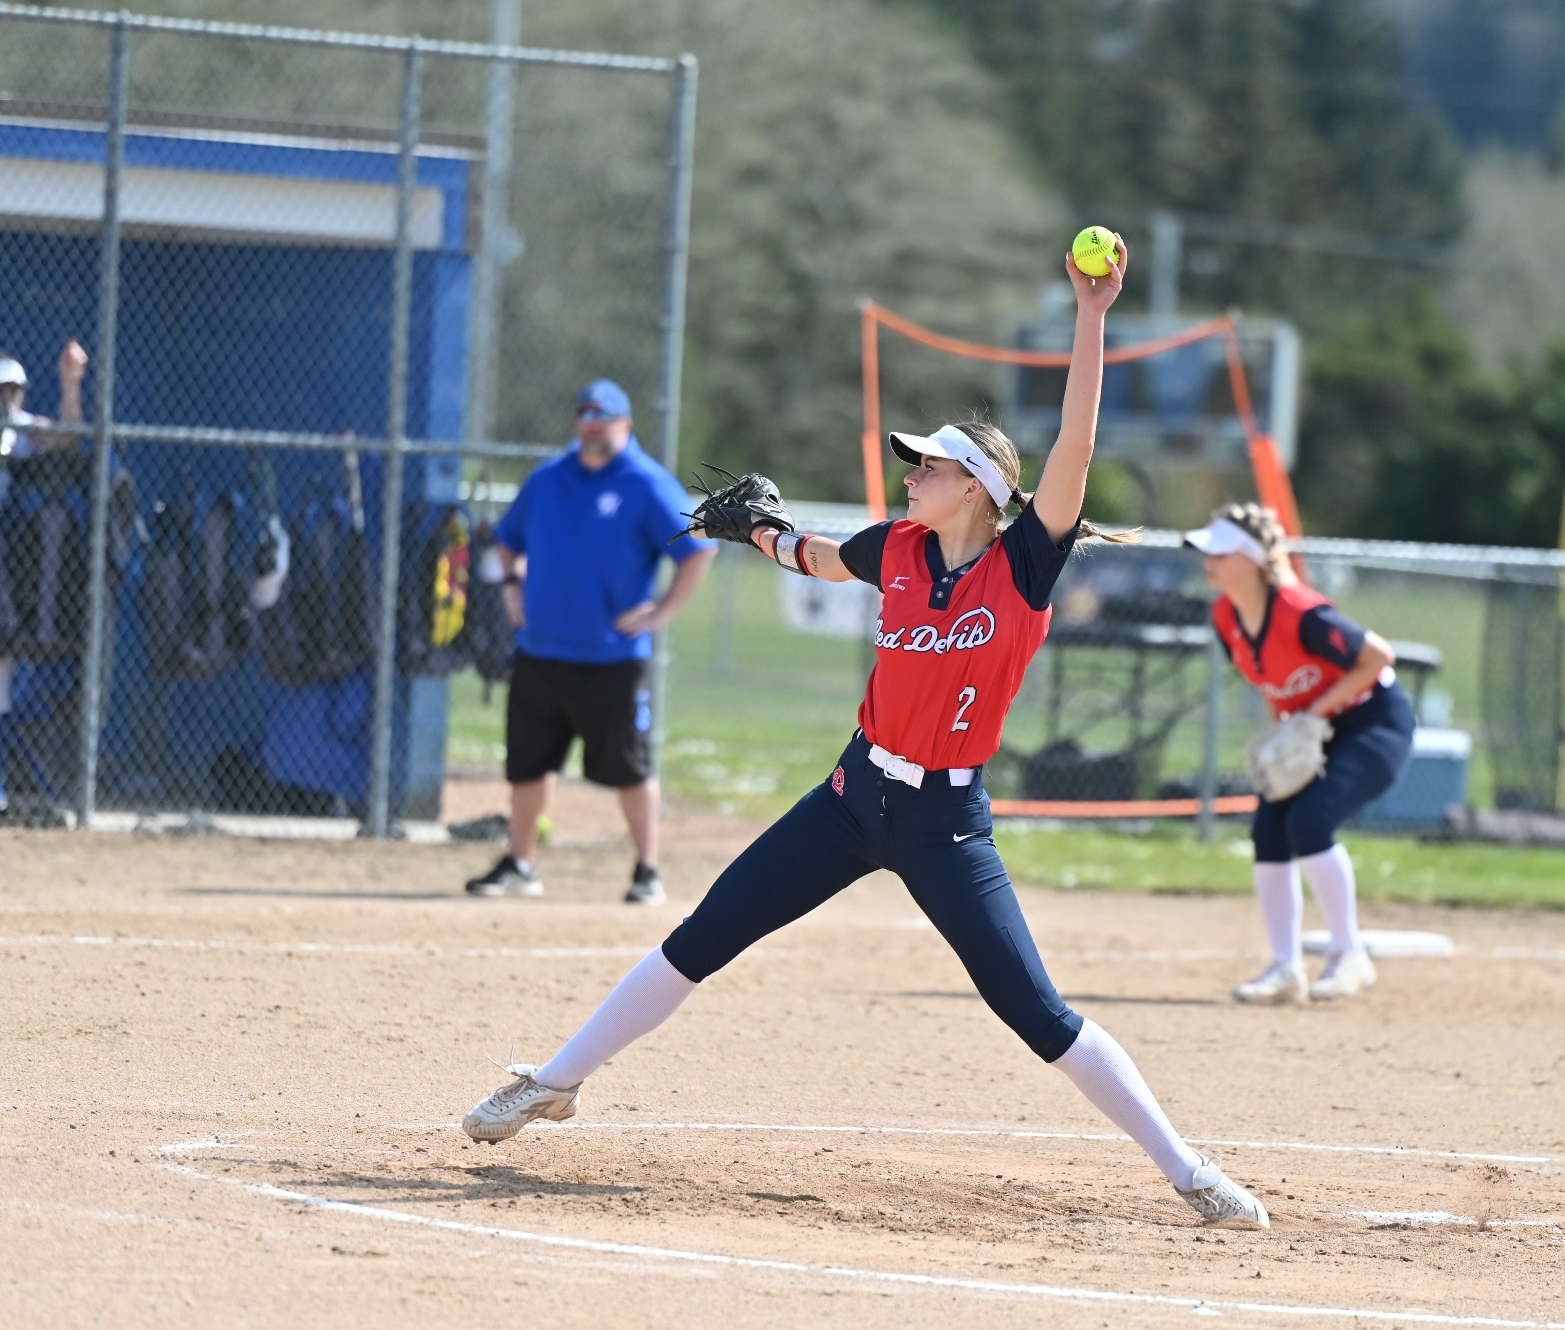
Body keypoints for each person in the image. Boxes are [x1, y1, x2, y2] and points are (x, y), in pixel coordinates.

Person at [459, 239, 1271, 1230]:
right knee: (702, 935)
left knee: (1034, 1011)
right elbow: (807, 552)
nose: (911, 474)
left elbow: (1073, 453)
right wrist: (753, 532)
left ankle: (1187, 1171)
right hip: (851, 799)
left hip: (944, 824)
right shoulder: (894, 547)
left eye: (928, 465)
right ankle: (553, 1079)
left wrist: (1091, 317)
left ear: (973, 485)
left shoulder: (1019, 567)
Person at [463, 380, 715, 904]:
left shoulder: (645, 483)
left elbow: (697, 550)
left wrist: (662, 611)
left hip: (612, 657)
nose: (592, 422)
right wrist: (511, 586)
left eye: (604, 414)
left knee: (629, 767)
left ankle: (647, 870)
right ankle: (520, 864)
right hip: (540, 650)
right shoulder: (550, 477)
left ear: (625, 423)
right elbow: (508, 542)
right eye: (585, 413)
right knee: (529, 765)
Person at [1184, 505, 1415, 1004]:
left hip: (1373, 720)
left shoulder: (1299, 611)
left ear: (1249, 559)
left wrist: (1314, 716)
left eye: (1219, 552)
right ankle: (1287, 969)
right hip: (1314, 725)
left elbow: (1377, 659)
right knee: (1269, 827)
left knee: (1309, 823)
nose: (1208, 560)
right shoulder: (1226, 616)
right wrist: (1285, 734)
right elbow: (1272, 682)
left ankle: (1349, 954)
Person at [0, 341, 87, 819]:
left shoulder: (29, 432)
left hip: (1, 572)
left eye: (14, 390)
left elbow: (68, 437)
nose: (6, 399)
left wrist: (70, 384)